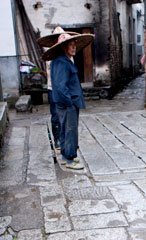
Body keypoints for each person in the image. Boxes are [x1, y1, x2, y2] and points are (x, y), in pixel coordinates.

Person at [41, 28, 94, 170]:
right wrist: (69, 102)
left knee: (65, 129)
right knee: (70, 130)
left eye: (74, 44)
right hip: (66, 103)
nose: (74, 47)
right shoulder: (61, 62)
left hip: (67, 102)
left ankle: (65, 156)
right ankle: (71, 159)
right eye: (71, 45)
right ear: (63, 47)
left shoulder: (63, 60)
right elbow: (60, 86)